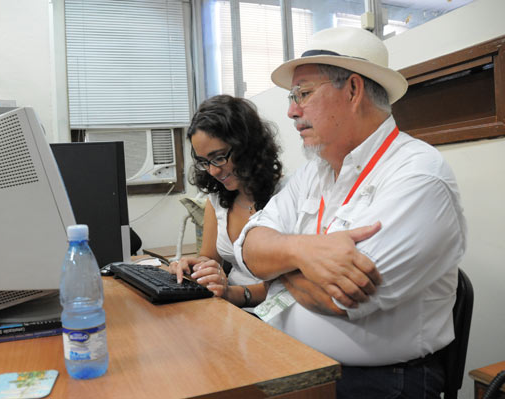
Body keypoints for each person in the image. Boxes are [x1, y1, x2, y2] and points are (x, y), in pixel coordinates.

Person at [232, 27, 467, 398]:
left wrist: (277, 267)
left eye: (303, 94)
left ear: (354, 90)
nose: (292, 110)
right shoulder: (315, 171)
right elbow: (246, 250)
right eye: (293, 97)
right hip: (297, 358)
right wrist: (304, 253)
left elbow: (339, 299)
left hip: (379, 381)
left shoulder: (418, 175)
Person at [169, 94, 282, 309]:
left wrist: (232, 293)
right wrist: (198, 267)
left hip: (271, 313)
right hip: (229, 306)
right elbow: (209, 257)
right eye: (204, 162)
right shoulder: (218, 199)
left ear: (246, 146)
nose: (213, 170)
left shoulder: (286, 197)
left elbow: (287, 286)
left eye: (219, 157)